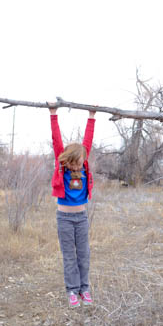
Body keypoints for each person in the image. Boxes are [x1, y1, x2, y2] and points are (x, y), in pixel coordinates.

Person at [49, 105, 96, 308]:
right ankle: (72, 291)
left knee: (83, 254)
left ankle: (84, 289)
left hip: (82, 218)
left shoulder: (84, 164)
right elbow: (56, 139)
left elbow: (88, 140)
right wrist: (53, 114)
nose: (78, 166)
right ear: (67, 161)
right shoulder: (62, 167)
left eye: (80, 163)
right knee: (69, 256)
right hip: (65, 219)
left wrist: (92, 116)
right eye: (74, 163)